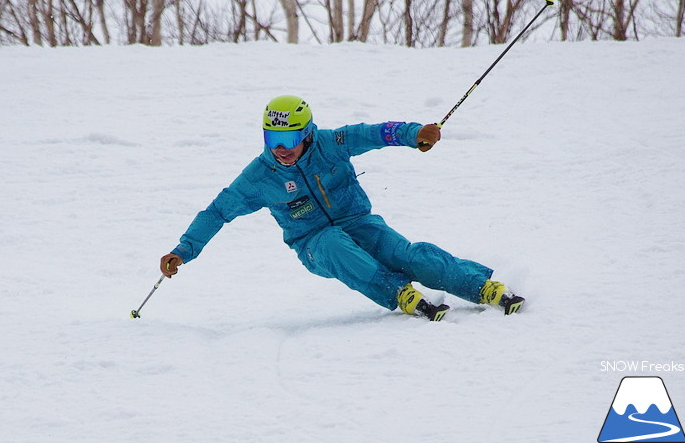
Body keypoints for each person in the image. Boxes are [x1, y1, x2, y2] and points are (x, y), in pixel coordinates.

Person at [160, 95, 524, 321]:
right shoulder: (259, 176)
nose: (280, 149)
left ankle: (484, 287)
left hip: (360, 223)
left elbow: (375, 133)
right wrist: (183, 250)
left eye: (288, 139)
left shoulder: (331, 143)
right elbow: (217, 212)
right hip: (314, 244)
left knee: (410, 256)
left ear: (306, 133)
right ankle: (399, 293)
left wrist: (415, 134)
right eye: (272, 139)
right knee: (333, 242)